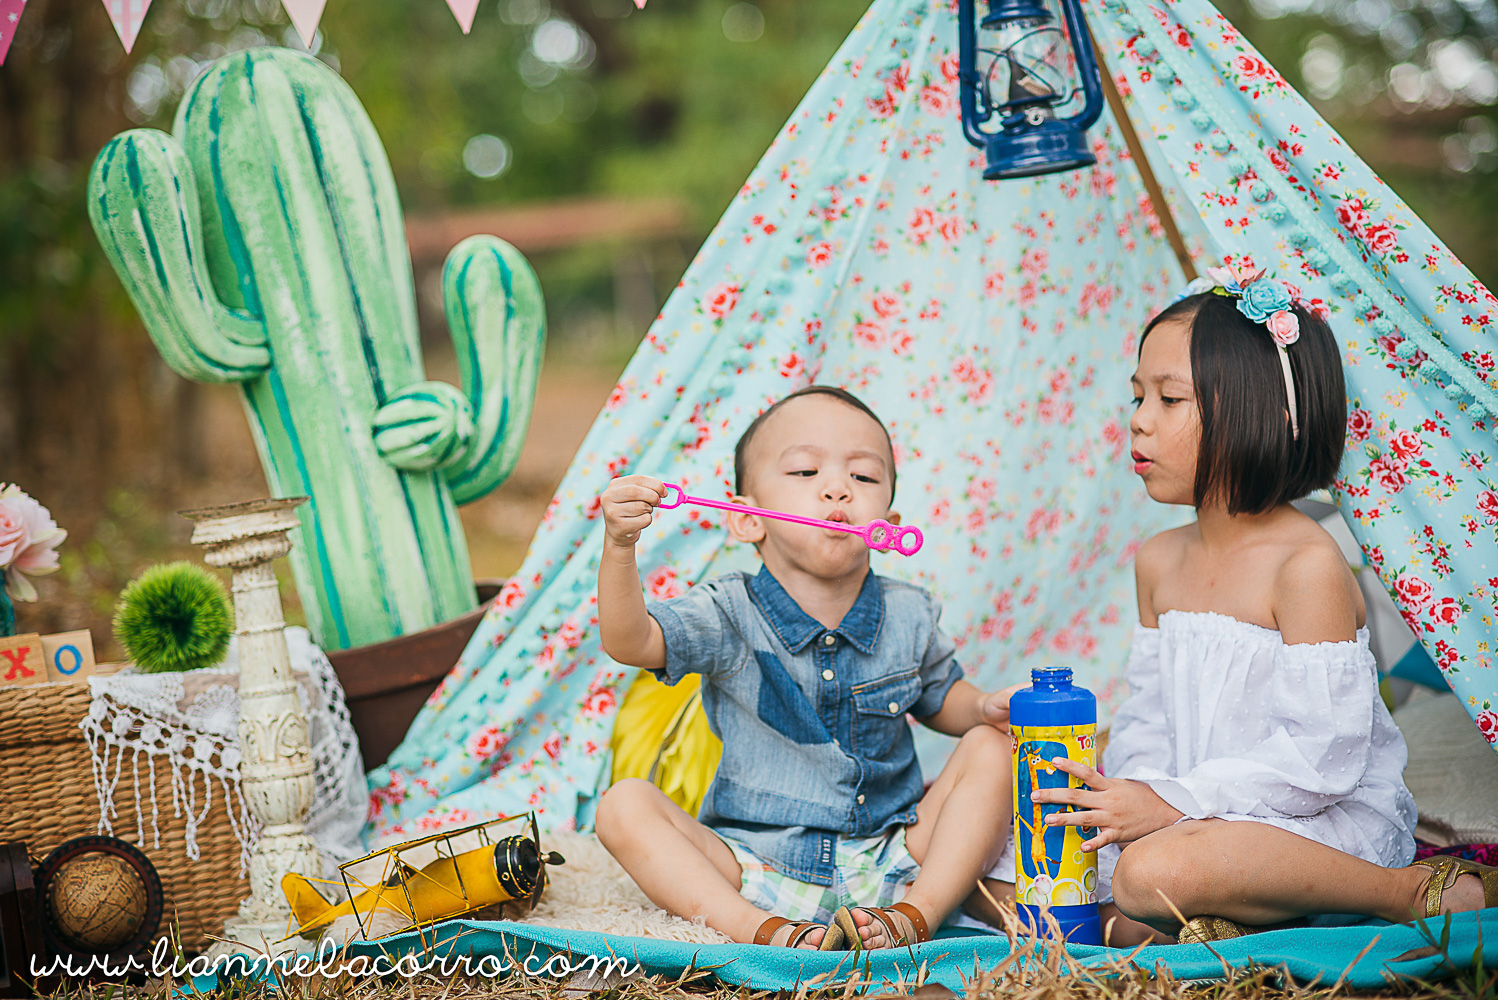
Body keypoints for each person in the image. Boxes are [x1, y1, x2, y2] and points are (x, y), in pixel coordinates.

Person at [967, 263, 1497, 946]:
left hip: (1309, 823)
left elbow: (1323, 756)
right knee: (1010, 857)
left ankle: (1404, 894)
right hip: (1192, 814)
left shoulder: (1303, 566)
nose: (1138, 423)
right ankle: (1201, 919)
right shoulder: (1159, 561)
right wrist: (1127, 797)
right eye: (1136, 398)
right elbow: (1148, 720)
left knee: (1150, 872)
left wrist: (1171, 805)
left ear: (1264, 411)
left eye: (1168, 400)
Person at [594, 386, 1018, 950]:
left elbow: (943, 698)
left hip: (894, 854)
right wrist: (620, 547)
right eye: (804, 471)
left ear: (888, 524)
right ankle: (761, 932)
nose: (838, 487)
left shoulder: (909, 612)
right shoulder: (727, 610)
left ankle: (919, 913)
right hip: (754, 866)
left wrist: (984, 708)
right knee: (624, 805)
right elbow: (631, 640)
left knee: (992, 746)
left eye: (863, 478)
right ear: (747, 520)